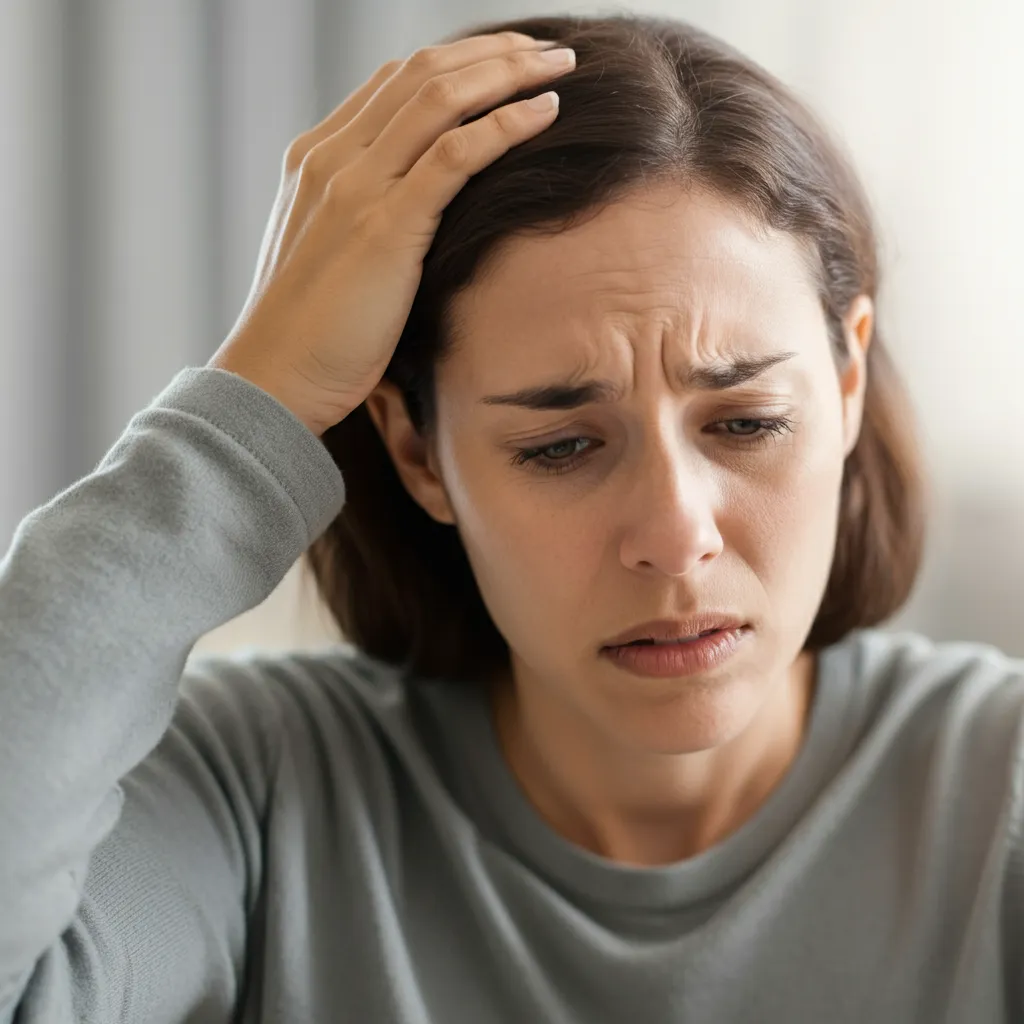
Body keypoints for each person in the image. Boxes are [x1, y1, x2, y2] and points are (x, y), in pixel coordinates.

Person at [0, 11, 1019, 1023]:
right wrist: (255, 396)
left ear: (845, 382)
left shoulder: (997, 796)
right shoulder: (256, 794)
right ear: (417, 451)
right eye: (562, 446)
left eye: (746, 422)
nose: (674, 535)